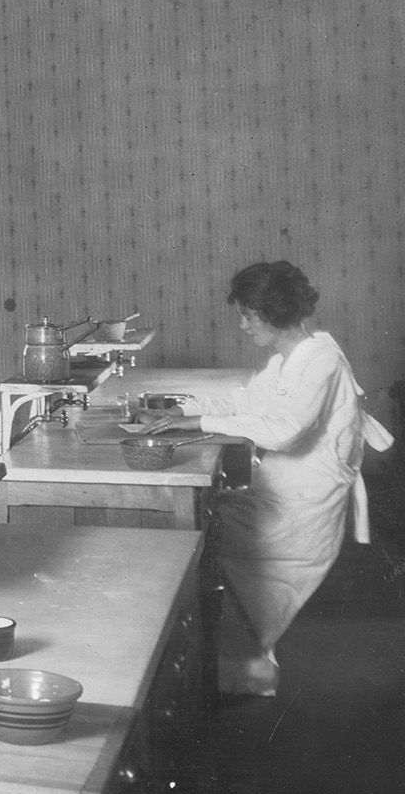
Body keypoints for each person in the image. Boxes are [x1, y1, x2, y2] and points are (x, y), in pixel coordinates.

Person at [147, 260, 391, 696]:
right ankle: (234, 663)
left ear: (273, 313)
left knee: (194, 536)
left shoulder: (321, 360)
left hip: (305, 507)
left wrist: (198, 422)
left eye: (248, 315)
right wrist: (182, 409)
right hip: (284, 492)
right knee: (199, 529)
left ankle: (232, 667)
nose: (242, 326)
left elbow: (284, 431)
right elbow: (246, 402)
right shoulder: (290, 359)